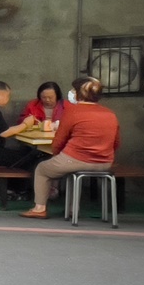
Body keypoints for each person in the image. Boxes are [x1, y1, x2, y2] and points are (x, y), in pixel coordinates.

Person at [20, 77, 120, 219]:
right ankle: (73, 210)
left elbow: (59, 141)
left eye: (74, 90)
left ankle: (39, 208)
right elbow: (116, 143)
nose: (71, 92)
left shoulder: (72, 111)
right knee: (73, 173)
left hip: (75, 159)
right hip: (104, 163)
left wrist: (56, 154)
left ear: (79, 93)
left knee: (42, 169)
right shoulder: (111, 114)